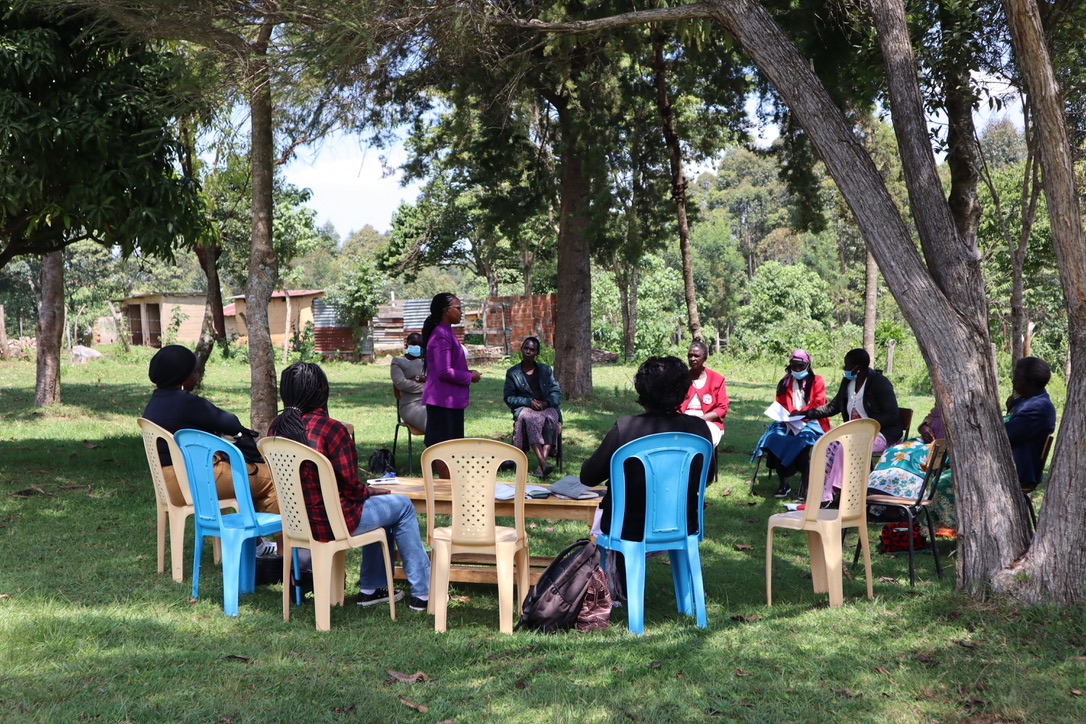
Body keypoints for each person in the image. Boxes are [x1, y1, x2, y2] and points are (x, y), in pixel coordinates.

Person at [267, 362, 431, 612]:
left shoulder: (275, 427)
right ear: (322, 391)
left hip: (296, 523)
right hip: (334, 522)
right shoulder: (331, 428)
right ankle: (423, 592)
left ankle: (372, 589)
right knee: (402, 506)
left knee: (384, 509)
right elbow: (352, 488)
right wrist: (368, 491)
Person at [581, 355, 716, 542]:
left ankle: (616, 570)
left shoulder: (625, 428)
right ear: (684, 389)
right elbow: (707, 477)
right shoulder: (699, 429)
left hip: (626, 529)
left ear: (642, 389)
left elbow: (588, 477)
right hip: (684, 526)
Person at [142, 344, 278, 528]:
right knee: (274, 480)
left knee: (252, 480)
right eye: (194, 372)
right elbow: (230, 423)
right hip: (195, 482)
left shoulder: (154, 403)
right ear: (181, 376)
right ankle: (279, 550)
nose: (197, 376)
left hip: (168, 484)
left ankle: (255, 543)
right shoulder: (185, 402)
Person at [797, 348, 902, 504]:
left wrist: (867, 426)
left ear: (858, 367)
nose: (844, 369)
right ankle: (821, 492)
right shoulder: (848, 382)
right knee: (827, 443)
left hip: (881, 434)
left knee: (846, 446)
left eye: (847, 365)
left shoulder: (879, 383)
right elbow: (832, 407)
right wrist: (804, 414)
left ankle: (841, 491)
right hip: (854, 434)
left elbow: (892, 415)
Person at [751, 349, 830, 499]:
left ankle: (807, 486)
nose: (797, 369)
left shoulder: (817, 381)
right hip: (788, 422)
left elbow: (818, 404)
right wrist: (785, 415)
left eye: (801, 366)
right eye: (794, 365)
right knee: (773, 438)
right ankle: (783, 482)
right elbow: (780, 403)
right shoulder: (786, 382)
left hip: (812, 422)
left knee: (801, 441)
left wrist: (800, 414)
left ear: (808, 365)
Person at [420, 293, 481, 449]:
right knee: (444, 447)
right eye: (458, 308)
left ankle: (447, 473)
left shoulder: (447, 331)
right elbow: (444, 371)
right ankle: (443, 474)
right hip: (443, 400)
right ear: (446, 310)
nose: (461, 312)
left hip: (449, 399)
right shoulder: (441, 335)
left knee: (451, 446)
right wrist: (470, 376)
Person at [504, 336, 562, 478]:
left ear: (537, 353)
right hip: (526, 408)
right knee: (529, 418)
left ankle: (540, 467)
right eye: (526, 348)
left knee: (550, 419)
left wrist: (546, 403)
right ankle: (543, 463)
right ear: (521, 349)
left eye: (532, 350)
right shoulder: (513, 373)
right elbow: (509, 398)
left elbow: (556, 392)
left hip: (546, 406)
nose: (528, 352)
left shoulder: (546, 370)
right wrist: (528, 402)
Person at [1005, 356, 1057, 489]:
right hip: (1007, 465)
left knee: (945, 483)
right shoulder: (1027, 400)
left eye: (1017, 377)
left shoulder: (1039, 407)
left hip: (1017, 472)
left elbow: (1006, 436)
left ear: (1031, 382)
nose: (1013, 381)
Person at [679, 340, 729, 448]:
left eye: (696, 356)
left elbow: (722, 408)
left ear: (705, 357)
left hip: (708, 421)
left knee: (703, 438)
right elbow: (674, 404)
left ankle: (703, 462)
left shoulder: (717, 379)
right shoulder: (681, 378)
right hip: (684, 419)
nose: (692, 359)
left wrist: (700, 419)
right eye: (690, 356)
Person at [390, 332, 427, 431]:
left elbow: (437, 381)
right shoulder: (398, 362)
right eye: (414, 343)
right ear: (407, 345)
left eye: (420, 344)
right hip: (410, 405)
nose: (417, 346)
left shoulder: (427, 362)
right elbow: (401, 384)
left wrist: (414, 379)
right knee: (432, 425)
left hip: (431, 402)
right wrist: (427, 385)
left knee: (448, 423)